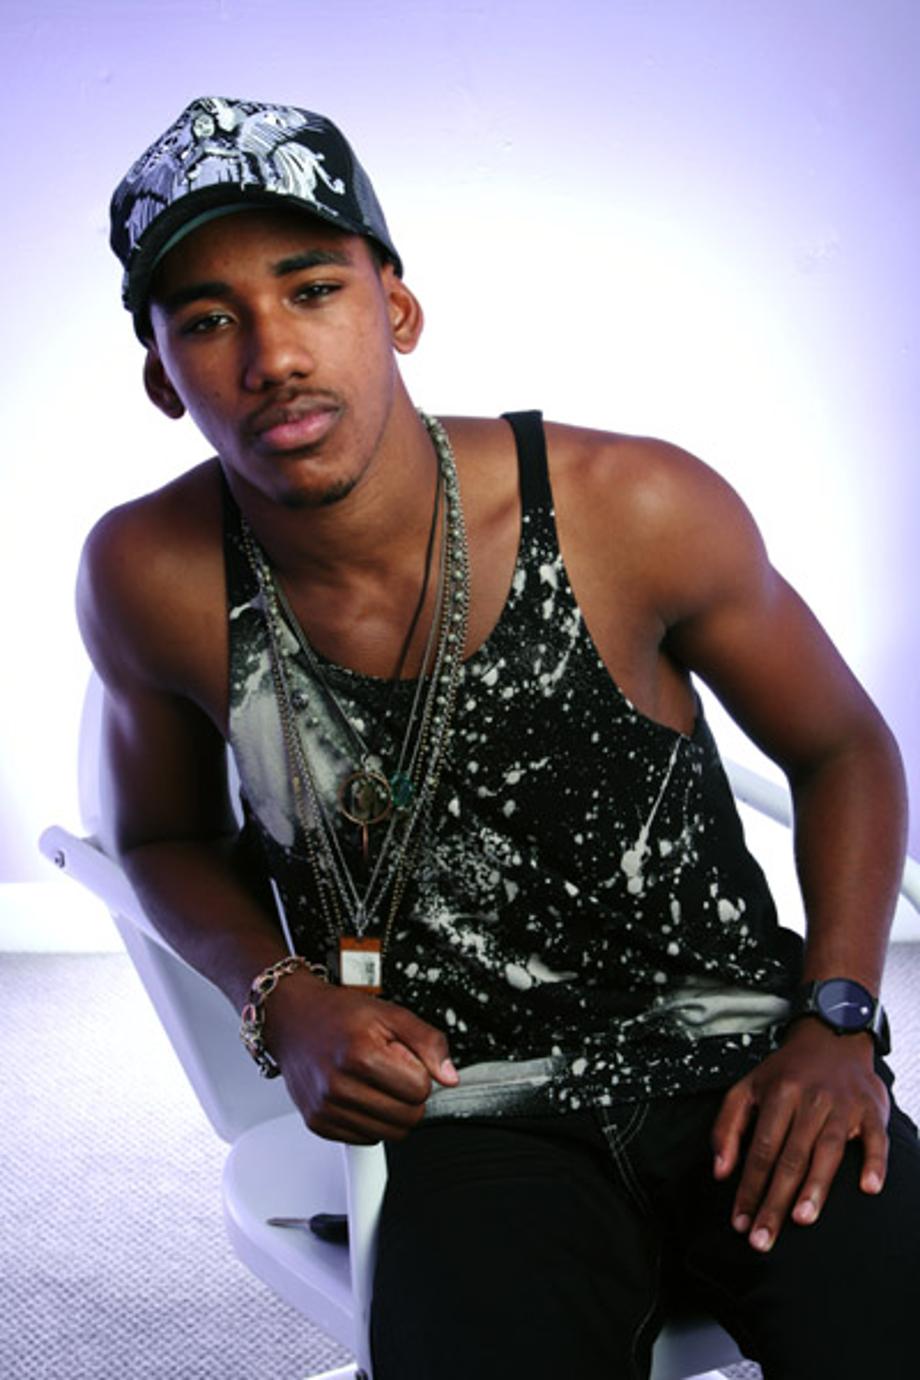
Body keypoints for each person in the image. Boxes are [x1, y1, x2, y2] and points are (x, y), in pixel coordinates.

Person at [81, 95, 919, 1378]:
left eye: (313, 290)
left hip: (743, 1059)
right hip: (463, 1110)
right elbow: (161, 838)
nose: (273, 355)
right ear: (160, 375)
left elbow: (843, 748)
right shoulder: (151, 572)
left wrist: (839, 1019)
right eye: (207, 320)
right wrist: (283, 999)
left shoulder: (628, 505)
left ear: (396, 308)